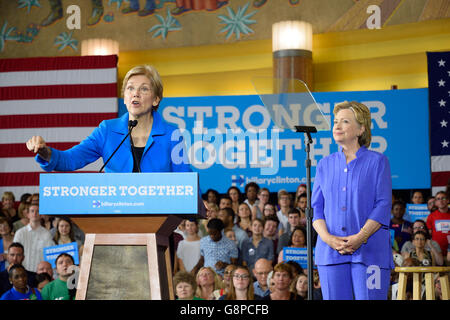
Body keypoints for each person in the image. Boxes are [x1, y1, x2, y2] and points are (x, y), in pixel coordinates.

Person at [26, 65, 191, 174]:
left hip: (159, 215)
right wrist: (46, 152)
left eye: (144, 89)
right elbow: (71, 160)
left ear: (156, 99)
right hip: (115, 213)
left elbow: (184, 178)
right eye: (130, 88)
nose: (136, 93)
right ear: (125, 97)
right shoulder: (107, 130)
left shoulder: (171, 135)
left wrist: (196, 207)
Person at [311, 101, 393, 300]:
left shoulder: (378, 161)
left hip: (371, 252)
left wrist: (360, 237)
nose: (337, 126)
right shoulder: (324, 164)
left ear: (361, 129)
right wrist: (329, 239)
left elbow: (383, 205)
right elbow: (316, 209)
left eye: (345, 121)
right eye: (336, 121)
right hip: (330, 254)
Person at [13, 203, 54, 272]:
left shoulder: (47, 234)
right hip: (22, 271)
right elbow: (14, 253)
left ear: (41, 215)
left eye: (37, 211)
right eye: (32, 211)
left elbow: (49, 256)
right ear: (28, 215)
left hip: (40, 273)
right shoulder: (20, 233)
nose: (35, 213)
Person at [426, 191, 450, 257]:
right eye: (438, 199)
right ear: (436, 202)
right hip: (437, 252)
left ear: (448, 200)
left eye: (443, 198)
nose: (441, 201)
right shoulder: (431, 216)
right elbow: (429, 234)